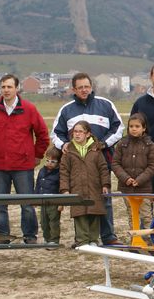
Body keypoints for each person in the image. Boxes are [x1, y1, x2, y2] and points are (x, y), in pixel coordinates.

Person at [52, 72, 124, 245]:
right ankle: (83, 238)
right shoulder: (66, 110)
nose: (84, 90)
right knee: (80, 200)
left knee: (103, 198)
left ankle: (108, 236)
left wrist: (104, 144)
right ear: (74, 89)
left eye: (87, 86)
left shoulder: (106, 105)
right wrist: (63, 144)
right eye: (80, 87)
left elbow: (119, 129)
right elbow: (55, 133)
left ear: (91, 87)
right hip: (76, 164)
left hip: (101, 161)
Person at [0, 74, 49, 244]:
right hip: (0, 166)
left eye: (9, 87)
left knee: (27, 204)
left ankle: (30, 236)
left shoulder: (29, 109)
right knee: (0, 204)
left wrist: (37, 155)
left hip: (23, 166)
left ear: (17, 88)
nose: (6, 90)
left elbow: (43, 135)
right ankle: (3, 236)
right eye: (3, 87)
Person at [59, 121, 111, 248]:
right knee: (80, 214)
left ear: (87, 134)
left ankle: (93, 239)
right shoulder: (68, 151)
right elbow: (64, 172)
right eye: (75, 132)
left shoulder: (96, 150)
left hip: (94, 188)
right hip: (77, 188)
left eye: (80, 132)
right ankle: (82, 240)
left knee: (94, 213)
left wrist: (105, 184)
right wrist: (65, 189)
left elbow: (103, 168)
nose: (77, 134)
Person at [111, 113, 154, 227]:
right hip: (126, 187)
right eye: (131, 126)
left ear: (144, 128)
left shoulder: (150, 145)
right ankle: (135, 236)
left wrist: (140, 180)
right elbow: (115, 163)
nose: (134, 129)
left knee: (146, 216)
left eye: (137, 126)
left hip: (144, 188)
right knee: (132, 215)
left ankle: (149, 236)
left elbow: (153, 166)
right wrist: (126, 178)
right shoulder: (122, 144)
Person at [35, 146, 63, 247]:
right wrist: (35, 198)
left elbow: (61, 189)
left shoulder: (59, 173)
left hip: (54, 202)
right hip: (43, 201)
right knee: (43, 222)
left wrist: (61, 203)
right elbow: (38, 185)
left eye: (53, 161)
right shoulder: (42, 171)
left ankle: (54, 240)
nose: (49, 163)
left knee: (54, 222)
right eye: (47, 160)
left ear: (58, 162)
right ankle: (47, 239)